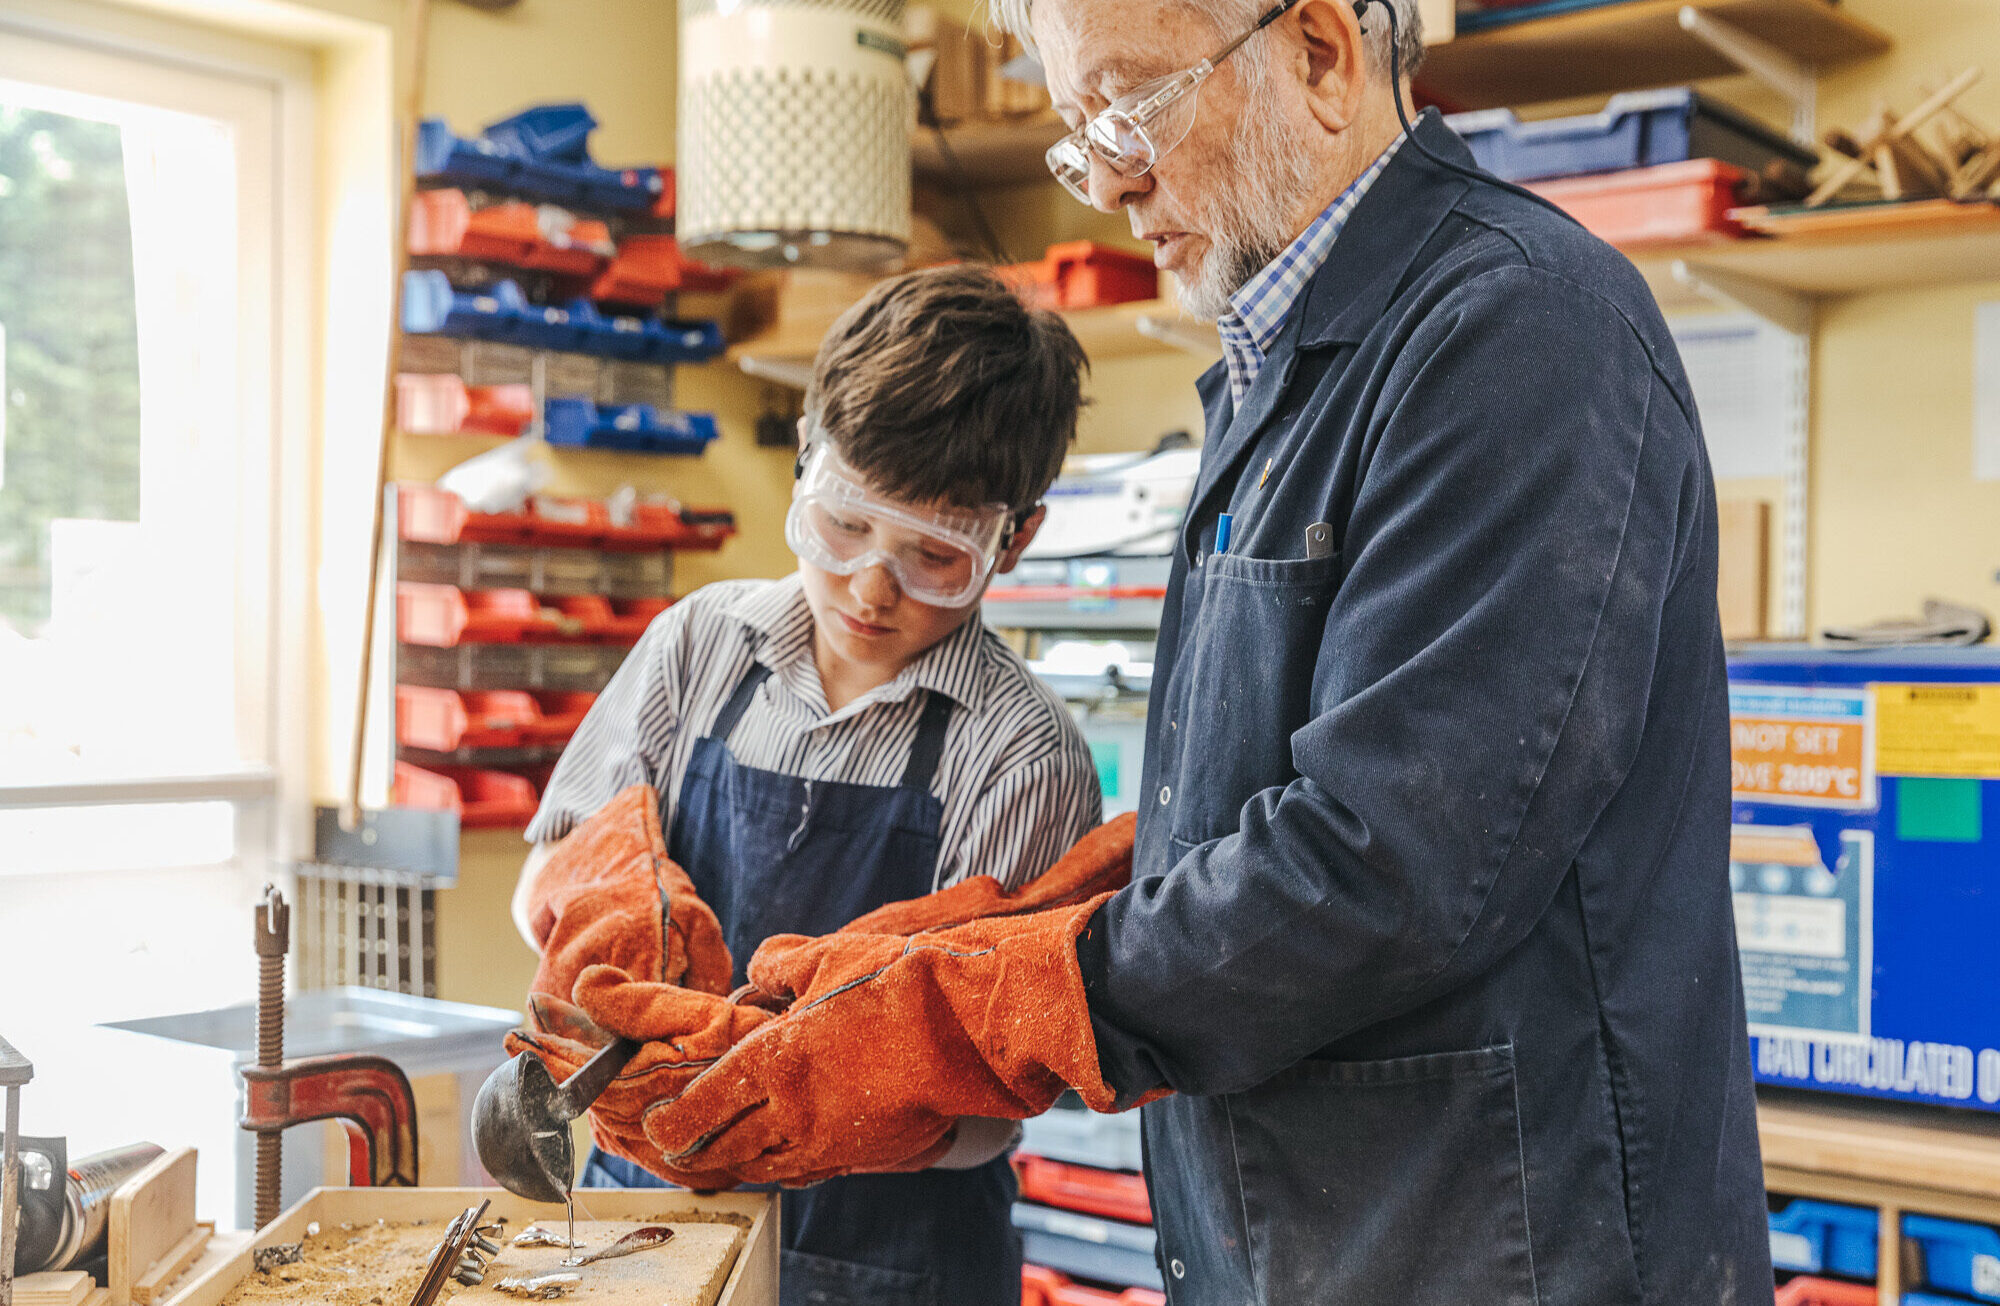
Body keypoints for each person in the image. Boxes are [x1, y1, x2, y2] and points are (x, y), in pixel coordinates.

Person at [616, 1, 1776, 1303]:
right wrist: (967, 941)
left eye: (1130, 106)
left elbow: (1388, 863)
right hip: (1293, 1240)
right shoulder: (1275, 367)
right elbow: (1253, 804)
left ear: (1320, 53)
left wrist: (964, 1012)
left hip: (1487, 1250)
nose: (1108, 180)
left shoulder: (1520, 329)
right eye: (1079, 132)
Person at [510, 264, 1104, 1306]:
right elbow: (546, 880)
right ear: (803, 461)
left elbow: (994, 1098)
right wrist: (596, 934)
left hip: (892, 1262)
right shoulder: (698, 644)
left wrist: (842, 1096)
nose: (870, 587)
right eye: (844, 526)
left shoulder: (1023, 753)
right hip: (642, 1222)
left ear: (1015, 538)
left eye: (933, 555)